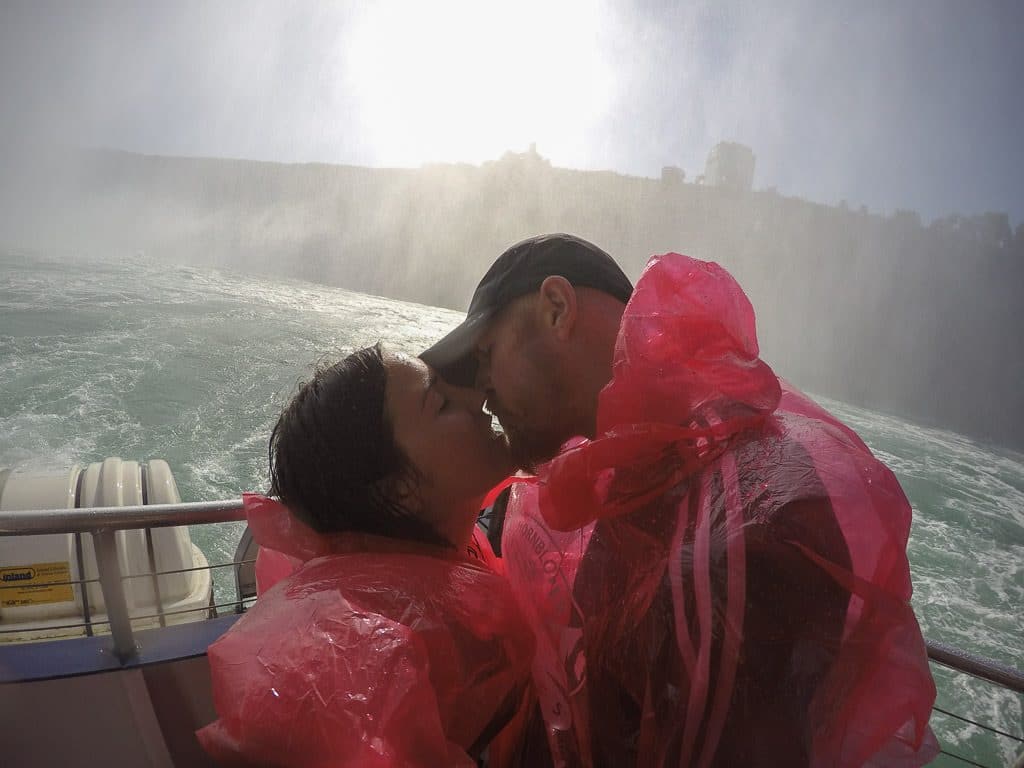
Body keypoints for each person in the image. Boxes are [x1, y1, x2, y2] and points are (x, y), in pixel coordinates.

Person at [421, 233, 938, 767]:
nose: (481, 386)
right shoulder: (636, 481)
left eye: (486, 355)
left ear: (556, 308)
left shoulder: (738, 525)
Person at [197, 343, 547, 768]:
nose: (477, 398)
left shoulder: (441, 551)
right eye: (441, 402)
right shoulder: (355, 667)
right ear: (396, 488)